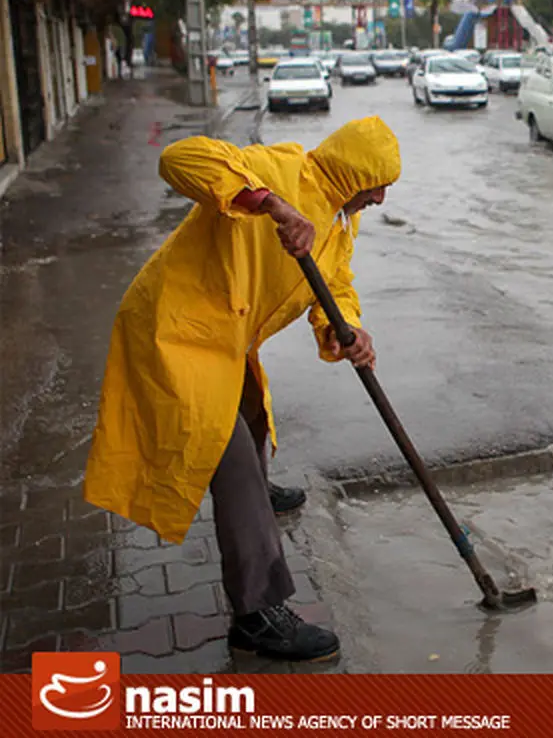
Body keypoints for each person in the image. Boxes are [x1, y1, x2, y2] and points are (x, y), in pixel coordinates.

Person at [83, 117, 401, 663]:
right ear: (356, 174)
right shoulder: (277, 169)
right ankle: (257, 615)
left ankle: (258, 487)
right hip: (175, 332)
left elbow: (336, 285)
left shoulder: (340, 221)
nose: (381, 196)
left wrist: (345, 328)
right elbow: (179, 159)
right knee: (229, 465)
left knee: (254, 418)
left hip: (227, 339)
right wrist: (272, 205)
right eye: (378, 183)